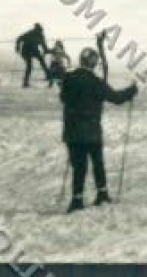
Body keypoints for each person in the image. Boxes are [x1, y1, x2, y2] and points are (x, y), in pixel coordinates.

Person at [59, 47, 139, 212]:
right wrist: (131, 91)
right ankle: (102, 194)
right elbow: (116, 98)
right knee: (97, 162)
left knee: (78, 166)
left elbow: (63, 97)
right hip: (91, 131)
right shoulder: (95, 82)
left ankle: (77, 200)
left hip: (72, 131)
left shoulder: (68, 79)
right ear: (94, 63)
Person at [16, 22, 49, 87]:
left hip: (32, 50)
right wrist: (17, 47)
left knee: (40, 62)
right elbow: (19, 39)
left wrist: (17, 47)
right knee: (30, 65)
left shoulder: (38, 35)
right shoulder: (31, 34)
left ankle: (48, 76)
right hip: (27, 51)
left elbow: (44, 47)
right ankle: (25, 82)